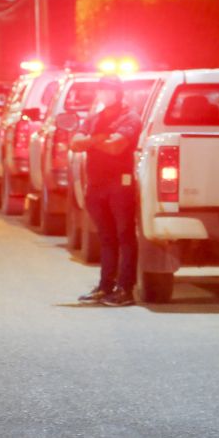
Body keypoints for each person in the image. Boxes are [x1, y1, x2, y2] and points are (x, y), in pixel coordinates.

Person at [70, 76, 142, 307]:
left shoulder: (130, 118)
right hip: (97, 184)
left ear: (119, 93)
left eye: (108, 90)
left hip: (120, 184)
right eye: (101, 90)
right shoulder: (94, 118)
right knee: (106, 237)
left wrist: (91, 141)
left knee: (124, 236)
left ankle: (125, 289)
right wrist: (99, 139)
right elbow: (75, 142)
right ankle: (105, 286)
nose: (103, 94)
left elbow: (116, 147)